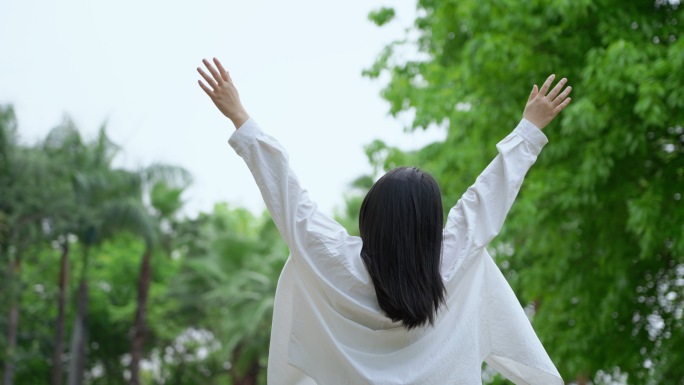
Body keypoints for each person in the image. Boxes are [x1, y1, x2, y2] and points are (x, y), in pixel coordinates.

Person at [198, 57, 572, 385]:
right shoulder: (451, 262)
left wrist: (240, 116)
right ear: (430, 229)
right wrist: (528, 130)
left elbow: (288, 196)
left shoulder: (332, 260)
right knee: (479, 261)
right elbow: (485, 201)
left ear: (370, 217)